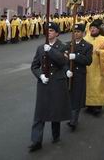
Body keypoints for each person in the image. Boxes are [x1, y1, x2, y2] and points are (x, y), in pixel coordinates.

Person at [29, 22, 71, 152]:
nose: (49, 32)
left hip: (57, 82)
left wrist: (51, 51)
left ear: (57, 33)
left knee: (55, 110)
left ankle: (56, 135)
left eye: (52, 30)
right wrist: (40, 75)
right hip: (44, 83)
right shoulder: (40, 48)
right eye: (48, 30)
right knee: (40, 112)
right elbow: (34, 66)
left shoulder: (63, 46)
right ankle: (36, 141)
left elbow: (63, 61)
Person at [64, 23, 92, 130]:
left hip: (79, 75)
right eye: (74, 32)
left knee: (76, 97)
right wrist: (66, 69)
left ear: (83, 33)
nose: (76, 34)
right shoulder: (68, 44)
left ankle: (73, 120)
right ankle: (70, 116)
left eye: (78, 32)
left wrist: (75, 56)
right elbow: (62, 60)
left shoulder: (87, 46)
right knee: (68, 96)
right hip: (68, 74)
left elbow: (88, 61)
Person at [84, 19, 104, 115]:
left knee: (98, 86)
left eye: (94, 28)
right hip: (88, 67)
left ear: (99, 29)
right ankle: (89, 104)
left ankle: (98, 106)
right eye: (91, 28)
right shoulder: (86, 39)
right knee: (88, 85)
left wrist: (101, 52)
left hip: (99, 67)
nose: (92, 29)